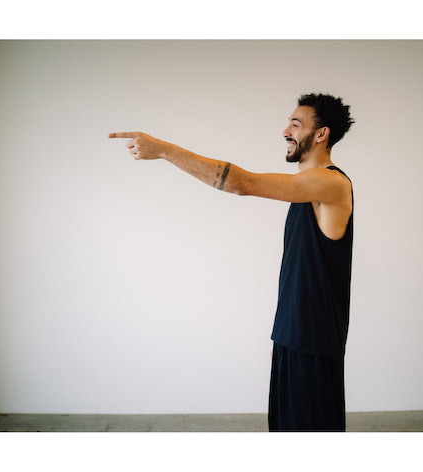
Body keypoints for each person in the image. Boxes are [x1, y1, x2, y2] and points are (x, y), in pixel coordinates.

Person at [109, 93, 355, 431]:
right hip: (294, 336)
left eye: (296, 125)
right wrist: (282, 336)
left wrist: (165, 150)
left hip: (313, 342)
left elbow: (242, 183)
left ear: (321, 134)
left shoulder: (330, 182)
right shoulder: (306, 189)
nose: (286, 131)